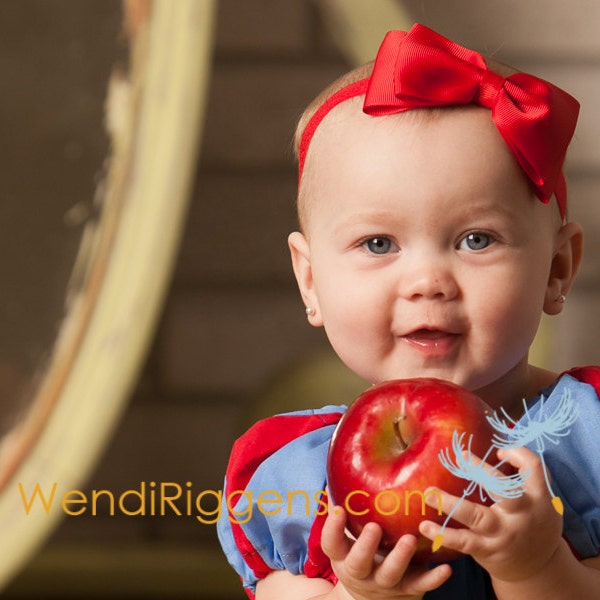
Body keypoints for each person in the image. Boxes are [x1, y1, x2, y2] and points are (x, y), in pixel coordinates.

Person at [217, 23, 600, 599]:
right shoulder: (299, 476)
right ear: (312, 281)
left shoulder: (589, 441)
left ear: (556, 269)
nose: (427, 282)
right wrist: (357, 592)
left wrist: (538, 569)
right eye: (378, 244)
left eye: (476, 240)